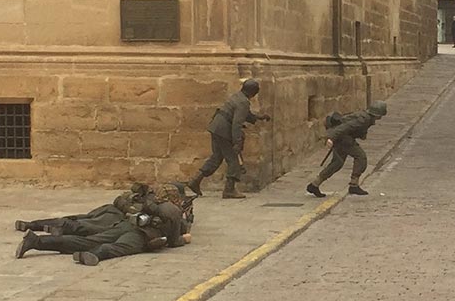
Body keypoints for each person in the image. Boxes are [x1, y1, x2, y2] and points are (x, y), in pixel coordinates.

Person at [15, 201, 188, 266]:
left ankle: (36, 241)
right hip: (140, 236)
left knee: (88, 239)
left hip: (124, 225)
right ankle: (93, 255)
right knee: (113, 248)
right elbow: (173, 241)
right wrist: (184, 239)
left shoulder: (153, 203)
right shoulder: (174, 213)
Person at [186, 79, 271, 199]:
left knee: (216, 157)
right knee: (233, 160)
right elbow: (236, 123)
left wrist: (259, 117)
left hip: (216, 127)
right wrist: (237, 142)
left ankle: (195, 180)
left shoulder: (238, 97)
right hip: (224, 131)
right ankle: (229, 190)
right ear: (253, 92)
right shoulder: (243, 102)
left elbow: (244, 114)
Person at [306, 101, 387, 198]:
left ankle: (314, 184)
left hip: (343, 138)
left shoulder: (365, 117)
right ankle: (354, 185)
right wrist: (331, 138)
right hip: (343, 138)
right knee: (360, 157)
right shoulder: (363, 119)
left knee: (337, 163)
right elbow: (344, 127)